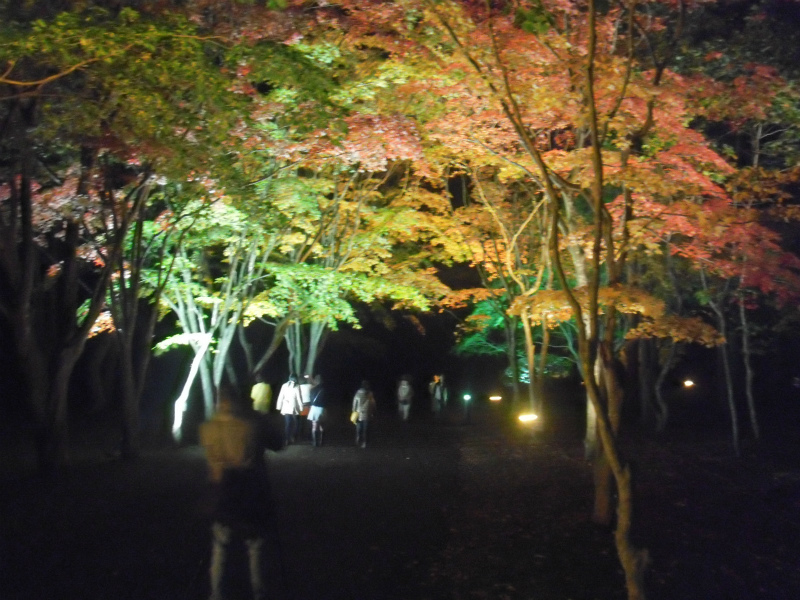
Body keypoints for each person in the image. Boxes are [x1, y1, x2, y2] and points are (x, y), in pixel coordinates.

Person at [199, 384, 281, 600]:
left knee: (219, 546)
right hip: (249, 490)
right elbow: (276, 443)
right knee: (254, 546)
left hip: (220, 491)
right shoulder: (249, 426)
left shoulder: (208, 427)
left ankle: (215, 593)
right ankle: (258, 591)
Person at [275, 374, 303, 446]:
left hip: (286, 407)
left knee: (288, 424)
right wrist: (301, 408)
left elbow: (280, 396)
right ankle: (292, 437)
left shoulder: (284, 385)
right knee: (296, 423)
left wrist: (279, 406)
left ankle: (287, 439)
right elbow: (299, 398)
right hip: (294, 408)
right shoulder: (296, 386)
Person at [352, 380, 376, 448]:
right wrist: (373, 411)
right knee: (366, 429)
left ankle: (358, 438)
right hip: (367, 413)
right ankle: (364, 443)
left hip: (359, 413)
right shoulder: (370, 394)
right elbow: (373, 403)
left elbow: (354, 402)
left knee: (359, 427)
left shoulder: (358, 393)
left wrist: (354, 410)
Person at [308, 374, 327, 447]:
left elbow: (311, 400)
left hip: (314, 408)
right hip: (322, 408)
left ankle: (315, 442)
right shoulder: (324, 390)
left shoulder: (312, 390)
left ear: (315, 381)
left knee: (314, 426)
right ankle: (322, 441)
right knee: (322, 425)